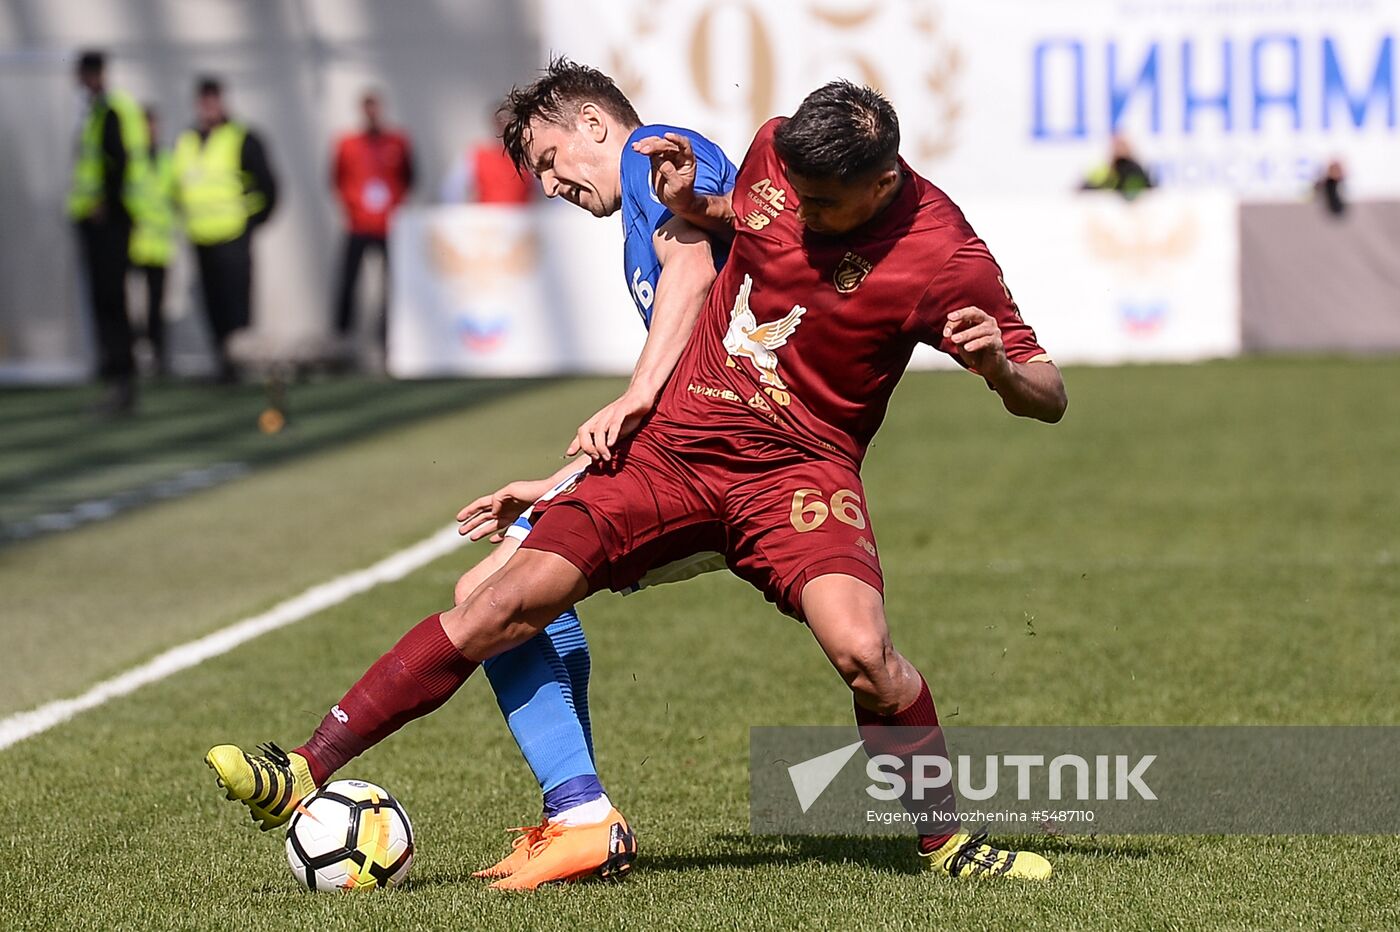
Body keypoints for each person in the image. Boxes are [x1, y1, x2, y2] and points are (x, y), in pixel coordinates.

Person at [206, 80, 1067, 884]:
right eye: (794, 194)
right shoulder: (775, 153)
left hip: (799, 473)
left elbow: (1049, 396)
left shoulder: (944, 254)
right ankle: (305, 767)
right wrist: (699, 204)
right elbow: (742, 216)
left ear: (883, 185)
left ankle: (948, 838)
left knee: (867, 657)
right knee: (498, 600)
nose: (800, 215)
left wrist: (995, 366)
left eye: (824, 206)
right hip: (679, 448)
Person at [209, 58, 736, 891]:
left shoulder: (653, 159)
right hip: (693, 455)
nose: (550, 183)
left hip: (726, 467)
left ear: (595, 124)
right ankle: (578, 814)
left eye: (551, 159)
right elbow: (689, 352)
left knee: (494, 599)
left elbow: (696, 274)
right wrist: (559, 480)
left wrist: (632, 399)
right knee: (500, 592)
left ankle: (315, 768)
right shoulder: (641, 203)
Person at [172, 77, 278, 383]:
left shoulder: (242, 137)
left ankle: (240, 362)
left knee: (236, 302)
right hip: (200, 235)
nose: (208, 108)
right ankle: (223, 362)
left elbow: (268, 187)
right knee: (213, 301)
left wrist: (251, 222)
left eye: (212, 100)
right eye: (203, 101)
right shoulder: (187, 140)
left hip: (233, 235)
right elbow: (179, 185)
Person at [67, 49, 149, 415]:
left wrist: (106, 204)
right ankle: (117, 381)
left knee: (111, 302)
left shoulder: (111, 111)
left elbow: (118, 163)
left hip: (110, 222)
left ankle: (122, 383)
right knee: (107, 303)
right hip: (103, 220)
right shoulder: (99, 112)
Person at [330, 90, 415, 353]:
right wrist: (352, 206)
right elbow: (337, 179)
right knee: (348, 281)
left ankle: (389, 338)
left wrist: (395, 207)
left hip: (388, 225)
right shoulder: (347, 143)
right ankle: (342, 338)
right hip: (358, 224)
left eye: (375, 107)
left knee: (393, 283)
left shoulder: (397, 142)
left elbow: (409, 178)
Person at [128, 106, 177, 377]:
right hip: (133, 245)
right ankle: (131, 355)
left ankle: (158, 357)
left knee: (157, 307)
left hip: (159, 246)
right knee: (131, 306)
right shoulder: (132, 160)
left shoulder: (168, 159)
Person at [439, 105, 534, 204]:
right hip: (487, 216)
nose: (502, 126)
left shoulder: (527, 155)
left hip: (521, 216)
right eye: (499, 121)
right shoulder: (476, 155)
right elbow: (451, 190)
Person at [1081, 134, 1153, 200]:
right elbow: (1085, 189)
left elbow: (1150, 191)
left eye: (1122, 145)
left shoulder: (1137, 171)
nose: (1120, 149)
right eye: (1118, 145)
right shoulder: (1104, 170)